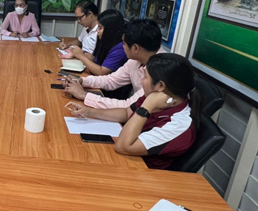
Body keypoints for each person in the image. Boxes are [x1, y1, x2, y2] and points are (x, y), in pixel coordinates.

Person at [66, 53, 200, 170]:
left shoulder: (177, 124)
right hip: (125, 159)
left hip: (140, 172)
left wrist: (147, 106)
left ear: (160, 86)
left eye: (145, 77)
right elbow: (126, 113)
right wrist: (89, 112)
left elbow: (123, 146)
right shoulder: (157, 97)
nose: (141, 81)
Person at [64, 18, 164, 109]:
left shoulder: (160, 71)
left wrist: (84, 95)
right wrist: (81, 81)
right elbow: (111, 80)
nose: (122, 47)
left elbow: (129, 106)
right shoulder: (136, 59)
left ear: (135, 48)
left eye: (124, 43)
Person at [68, 9, 127, 76]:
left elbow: (101, 72)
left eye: (100, 28)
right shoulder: (104, 40)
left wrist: (81, 56)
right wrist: (77, 53)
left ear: (110, 30)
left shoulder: (120, 49)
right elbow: (94, 58)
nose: (97, 31)